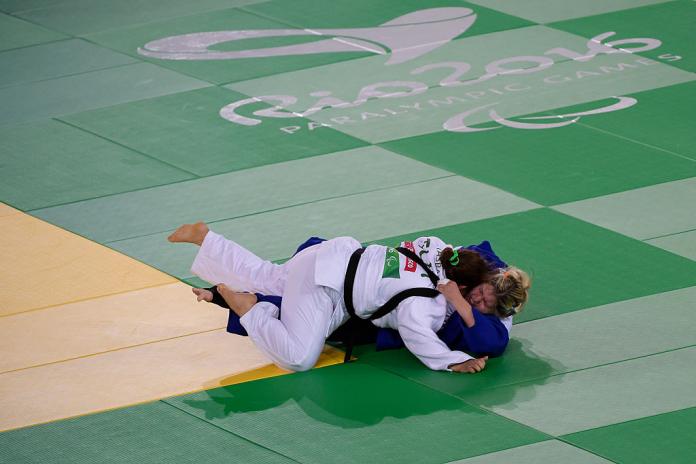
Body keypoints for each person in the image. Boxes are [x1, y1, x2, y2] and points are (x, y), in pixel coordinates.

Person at [168, 222, 528, 373]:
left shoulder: (436, 250)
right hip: (326, 287)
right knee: (298, 358)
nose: (479, 307)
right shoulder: (425, 304)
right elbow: (418, 335)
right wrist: (452, 361)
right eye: (479, 298)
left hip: (333, 255)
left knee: (268, 276)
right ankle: (250, 309)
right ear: (465, 286)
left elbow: (471, 261)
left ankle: (207, 238)